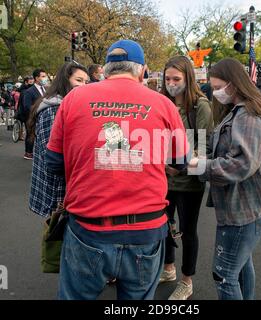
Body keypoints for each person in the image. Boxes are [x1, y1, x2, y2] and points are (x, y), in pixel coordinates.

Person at [45, 39, 189, 300]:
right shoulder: (164, 105)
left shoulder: (74, 99)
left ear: (106, 70)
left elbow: (53, 163)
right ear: (143, 71)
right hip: (146, 230)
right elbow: (180, 161)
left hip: (88, 227)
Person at [188, 57, 261, 300]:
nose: (216, 93)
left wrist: (200, 166)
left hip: (243, 210)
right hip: (246, 206)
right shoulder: (239, 111)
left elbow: (241, 164)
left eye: (218, 87)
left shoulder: (248, 115)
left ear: (234, 83)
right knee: (240, 266)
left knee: (224, 275)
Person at [159, 55, 213, 300]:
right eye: (168, 78)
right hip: (163, 179)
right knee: (164, 226)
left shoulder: (200, 105)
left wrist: (180, 166)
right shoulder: (162, 102)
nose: (171, 83)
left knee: (188, 231)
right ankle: (168, 268)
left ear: (188, 78)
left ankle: (186, 280)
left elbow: (205, 146)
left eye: (176, 78)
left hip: (189, 181)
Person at [28, 62, 89, 218]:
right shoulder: (54, 108)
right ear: (65, 80)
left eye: (86, 82)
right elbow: (52, 155)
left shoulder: (68, 104)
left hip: (64, 188)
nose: (83, 86)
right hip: (56, 191)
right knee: (56, 237)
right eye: (79, 80)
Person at [22, 69, 48, 160]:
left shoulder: (45, 89)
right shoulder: (29, 91)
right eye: (43, 76)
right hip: (32, 118)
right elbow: (27, 106)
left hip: (43, 118)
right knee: (31, 135)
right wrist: (37, 112)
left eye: (45, 76)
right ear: (37, 78)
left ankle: (38, 153)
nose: (46, 78)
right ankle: (28, 152)